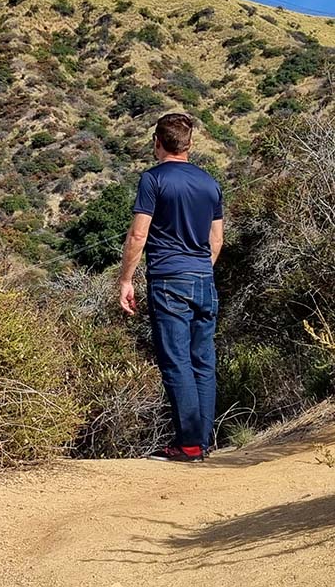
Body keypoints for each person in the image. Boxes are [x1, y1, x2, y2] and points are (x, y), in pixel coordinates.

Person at [117, 114, 225, 463]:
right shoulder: (210, 183)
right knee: (202, 360)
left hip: (168, 279)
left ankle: (189, 445)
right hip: (204, 281)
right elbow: (217, 239)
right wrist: (199, 271)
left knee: (176, 361)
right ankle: (203, 442)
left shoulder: (153, 180)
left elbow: (138, 234)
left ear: (157, 143)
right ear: (189, 144)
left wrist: (125, 280)